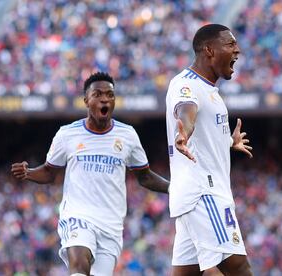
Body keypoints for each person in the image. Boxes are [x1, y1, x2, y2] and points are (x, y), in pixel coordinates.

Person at [11, 72, 169, 276]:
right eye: (98, 94)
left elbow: (144, 176)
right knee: (79, 264)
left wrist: (173, 188)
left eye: (110, 95)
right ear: (87, 101)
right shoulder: (67, 134)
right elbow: (49, 172)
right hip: (77, 215)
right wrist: (29, 173)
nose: (105, 99)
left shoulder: (127, 135)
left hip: (111, 224)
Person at [165, 24, 253, 275]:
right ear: (209, 50)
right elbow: (186, 111)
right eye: (230, 45)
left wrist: (229, 142)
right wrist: (184, 132)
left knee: (187, 272)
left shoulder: (210, 91)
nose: (237, 50)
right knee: (238, 268)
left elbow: (205, 137)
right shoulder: (186, 83)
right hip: (204, 192)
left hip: (196, 195)